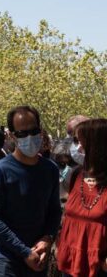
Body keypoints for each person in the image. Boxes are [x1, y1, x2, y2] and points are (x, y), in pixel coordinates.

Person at [0, 106, 61, 277]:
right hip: (4, 259)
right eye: (22, 133)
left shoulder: (50, 169)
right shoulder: (0, 170)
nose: (29, 137)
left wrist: (47, 238)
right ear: (12, 136)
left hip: (38, 257)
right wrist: (24, 251)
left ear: (41, 131)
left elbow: (54, 211)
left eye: (33, 131)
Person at [56, 118, 107, 277]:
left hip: (99, 268)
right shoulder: (75, 174)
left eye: (79, 140)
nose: (77, 146)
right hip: (70, 264)